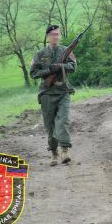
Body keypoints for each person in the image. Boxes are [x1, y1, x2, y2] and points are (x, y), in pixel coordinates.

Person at [30, 25, 77, 166]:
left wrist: (61, 67)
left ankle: (65, 151)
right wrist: (48, 71)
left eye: (57, 34)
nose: (55, 36)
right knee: (50, 126)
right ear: (47, 36)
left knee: (63, 120)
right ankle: (54, 154)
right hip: (47, 93)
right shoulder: (40, 53)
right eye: (52, 34)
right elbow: (33, 73)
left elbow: (73, 67)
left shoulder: (66, 51)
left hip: (63, 91)